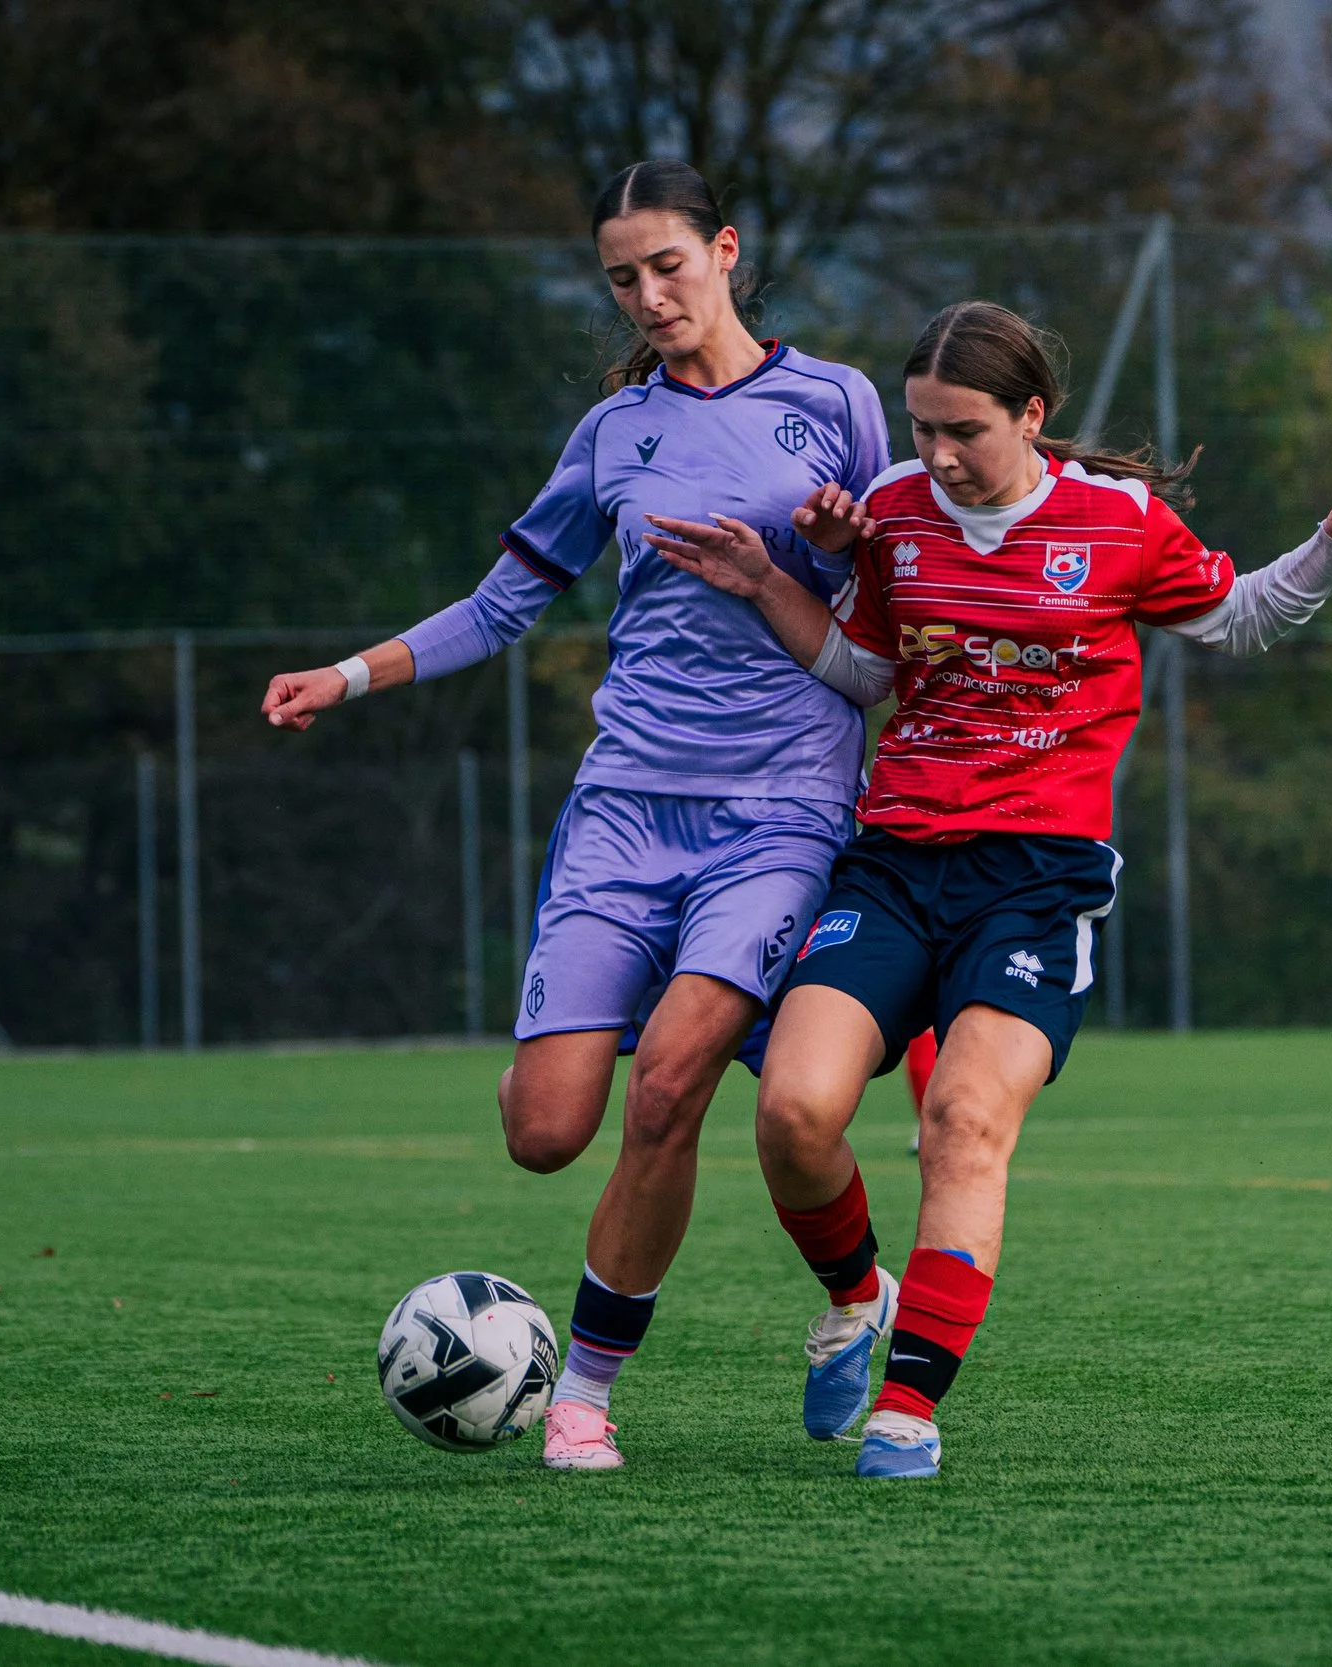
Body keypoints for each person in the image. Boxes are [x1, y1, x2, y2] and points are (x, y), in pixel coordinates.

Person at [643, 300, 1332, 1476]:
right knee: (792, 1111)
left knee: (964, 1122)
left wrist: (1329, 553)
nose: (935, 456)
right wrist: (769, 581)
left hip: (1036, 880)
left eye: (961, 429)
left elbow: (1232, 617)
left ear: (1032, 414)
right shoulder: (896, 520)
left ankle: (909, 1407)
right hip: (896, 860)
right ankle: (856, 1294)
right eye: (919, 428)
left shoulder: (1117, 522)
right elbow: (865, 672)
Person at [260, 160, 889, 1470]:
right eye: (622, 276)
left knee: (669, 1088)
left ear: (726, 251)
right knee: (548, 1130)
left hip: (780, 817)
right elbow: (501, 605)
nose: (649, 295)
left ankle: (588, 1390)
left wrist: (840, 548)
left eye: (669, 264)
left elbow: (896, 595)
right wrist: (349, 671)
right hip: (623, 814)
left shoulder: (835, 403)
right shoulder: (615, 434)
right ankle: (562, 1048)